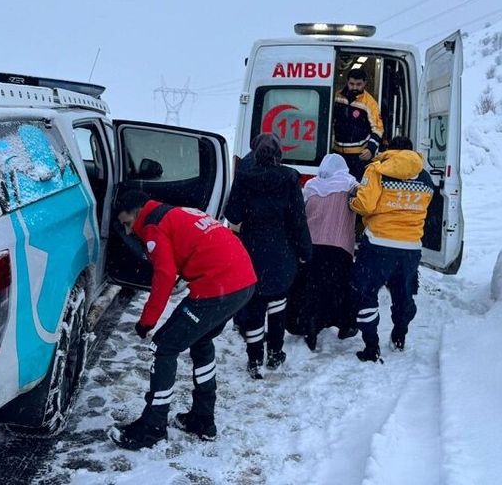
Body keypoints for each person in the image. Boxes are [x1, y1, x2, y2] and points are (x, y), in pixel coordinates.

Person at [109, 191, 256, 450]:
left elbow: (164, 275)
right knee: (201, 340)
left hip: (218, 287)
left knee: (164, 347)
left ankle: (152, 428)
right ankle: (202, 418)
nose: (129, 232)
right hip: (243, 281)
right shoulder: (177, 213)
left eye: (128, 224)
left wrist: (147, 321)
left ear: (139, 212)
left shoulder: (154, 227)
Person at [225, 133, 312, 379]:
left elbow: (233, 215)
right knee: (278, 304)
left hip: (252, 252)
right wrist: (305, 251)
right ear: (279, 154)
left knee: (255, 306)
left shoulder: (244, 178)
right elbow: (298, 221)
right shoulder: (289, 178)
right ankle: (275, 352)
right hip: (282, 253)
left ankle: (254, 360)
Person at [342, 136, 434, 363]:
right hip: (410, 247)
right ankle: (400, 333)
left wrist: (351, 202)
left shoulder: (376, 170)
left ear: (389, 150)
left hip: (378, 245)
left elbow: (366, 205)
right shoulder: (425, 177)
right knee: (403, 294)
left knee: (365, 293)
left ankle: (371, 346)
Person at [293, 153, 359, 351]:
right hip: (340, 246)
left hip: (313, 245)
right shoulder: (351, 185)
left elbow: (301, 212)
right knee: (340, 288)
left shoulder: (311, 186)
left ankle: (311, 324)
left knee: (312, 288)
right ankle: (344, 325)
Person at [332, 68, 384, 180]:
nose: (354, 87)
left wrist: (371, 149)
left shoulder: (370, 103)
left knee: (357, 188)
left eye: (358, 84)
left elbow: (378, 129)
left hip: (358, 156)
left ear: (365, 83)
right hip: (337, 152)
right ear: (347, 82)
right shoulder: (336, 96)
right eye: (351, 84)